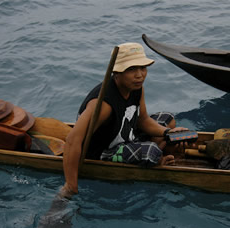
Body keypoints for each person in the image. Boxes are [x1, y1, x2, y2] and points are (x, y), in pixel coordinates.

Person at [61, 42, 188, 195]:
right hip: (104, 151)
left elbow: (143, 120)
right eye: (131, 69)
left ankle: (154, 147)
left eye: (142, 68)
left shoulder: (136, 87)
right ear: (117, 73)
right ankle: (154, 154)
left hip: (128, 135)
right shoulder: (103, 104)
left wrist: (168, 133)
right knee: (152, 152)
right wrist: (70, 185)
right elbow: (72, 141)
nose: (139, 75)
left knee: (169, 119)